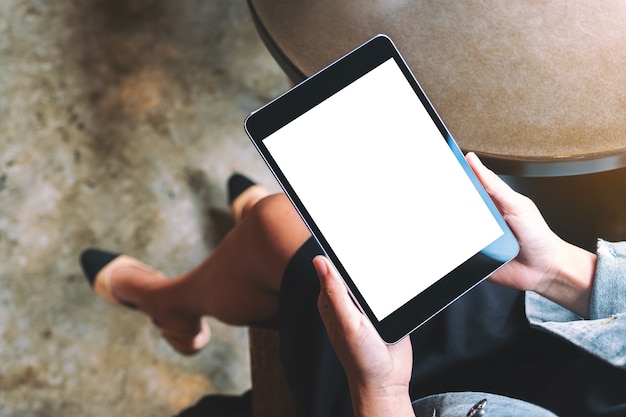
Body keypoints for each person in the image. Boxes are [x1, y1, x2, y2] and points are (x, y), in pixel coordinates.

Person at [80, 153, 626, 417]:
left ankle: (168, 302)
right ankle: (188, 296)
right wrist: (561, 269)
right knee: (288, 225)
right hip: (569, 347)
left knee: (286, 234)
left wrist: (381, 392)